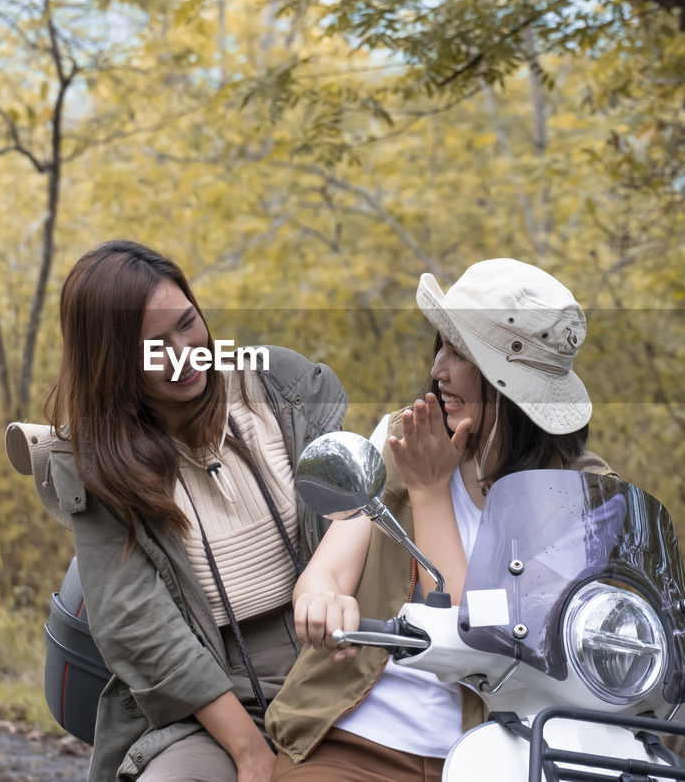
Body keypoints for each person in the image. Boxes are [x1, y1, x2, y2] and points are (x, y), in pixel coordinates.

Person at [266, 258, 615, 782]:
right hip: (355, 735)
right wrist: (320, 599)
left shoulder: (582, 494)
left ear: (508, 383)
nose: (437, 370)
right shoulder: (404, 435)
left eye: (460, 353)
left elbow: (482, 636)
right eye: (442, 346)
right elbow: (330, 568)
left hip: (502, 752)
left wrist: (430, 491)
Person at [42, 241, 348, 782]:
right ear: (111, 362)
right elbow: (135, 622)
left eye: (188, 324)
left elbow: (358, 508)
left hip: (335, 664)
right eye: (155, 346)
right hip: (206, 698)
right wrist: (249, 751)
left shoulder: (281, 386)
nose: (185, 353)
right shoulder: (97, 461)